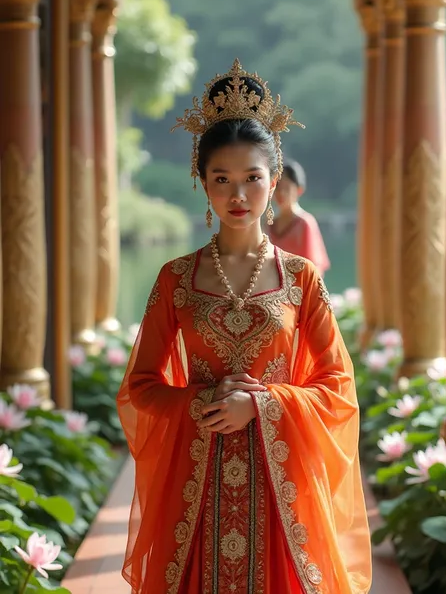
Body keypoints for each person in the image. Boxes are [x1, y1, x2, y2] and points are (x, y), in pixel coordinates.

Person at [117, 59, 371, 594]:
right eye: (222, 179)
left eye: (253, 178)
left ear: (275, 182)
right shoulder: (175, 278)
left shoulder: (301, 280)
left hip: (282, 486)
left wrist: (261, 403)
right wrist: (201, 403)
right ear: (201, 182)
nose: (238, 195)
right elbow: (140, 388)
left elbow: (338, 389)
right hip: (197, 484)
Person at [270, 160, 330, 276]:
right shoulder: (269, 224)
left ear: (299, 190)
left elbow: (314, 269)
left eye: (286, 188)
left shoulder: (305, 223)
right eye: (277, 187)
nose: (281, 192)